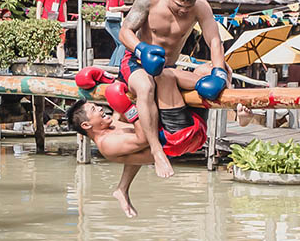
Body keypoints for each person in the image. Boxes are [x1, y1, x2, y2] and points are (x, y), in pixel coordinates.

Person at [118, 0, 230, 179]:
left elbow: (214, 40)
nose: (182, 11)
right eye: (178, 5)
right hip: (137, 61)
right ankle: (156, 151)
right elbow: (125, 32)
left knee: (217, 74)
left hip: (167, 68)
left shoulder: (201, 7)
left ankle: (240, 111)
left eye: (187, 7)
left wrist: (220, 72)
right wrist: (142, 49)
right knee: (146, 87)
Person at [68, 64, 212, 217]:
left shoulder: (110, 127)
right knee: (163, 76)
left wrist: (108, 80)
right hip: (176, 136)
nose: (100, 109)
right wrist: (128, 108)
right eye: (94, 110)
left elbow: (136, 151)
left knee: (206, 72)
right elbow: (144, 138)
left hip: (182, 132)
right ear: (86, 124)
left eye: (97, 106)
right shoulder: (107, 144)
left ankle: (121, 190)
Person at [35, 0, 68, 64]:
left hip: (60, 20)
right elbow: (39, 3)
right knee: (45, 44)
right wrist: (38, 19)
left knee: (61, 44)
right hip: (46, 19)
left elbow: (64, 5)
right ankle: (40, 63)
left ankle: (62, 65)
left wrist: (66, 21)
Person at [105, 0, 131, 67]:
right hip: (111, 22)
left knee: (118, 44)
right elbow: (111, 9)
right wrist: (123, 8)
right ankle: (117, 64)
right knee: (123, 43)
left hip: (116, 21)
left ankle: (111, 65)